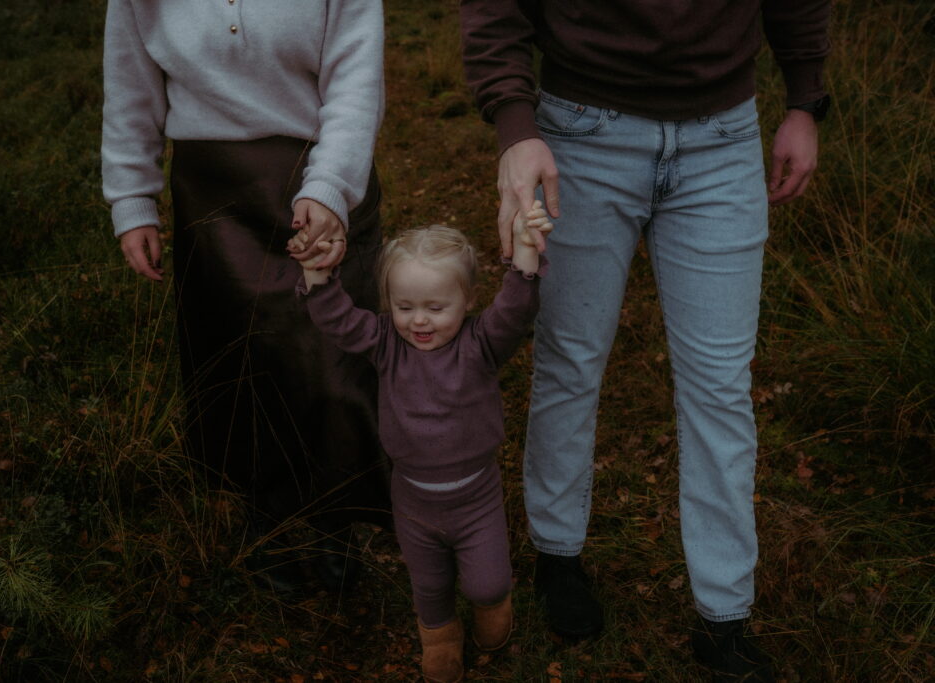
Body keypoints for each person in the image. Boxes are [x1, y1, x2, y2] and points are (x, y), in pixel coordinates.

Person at [459, 0, 830, 679]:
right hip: (580, 128)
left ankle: (724, 616)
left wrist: (804, 96)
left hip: (723, 139)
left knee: (719, 383)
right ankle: (558, 554)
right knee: (571, 357)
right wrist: (515, 123)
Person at [100, 0, 388, 594]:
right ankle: (268, 517)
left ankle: (333, 516)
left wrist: (331, 185)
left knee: (334, 360)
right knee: (244, 357)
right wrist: (131, 194)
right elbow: (130, 84)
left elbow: (357, 77)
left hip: (319, 173)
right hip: (215, 191)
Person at [289, 204, 553, 683]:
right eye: (405, 307)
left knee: (487, 580)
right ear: (389, 302)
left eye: (436, 307)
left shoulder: (481, 345)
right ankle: (440, 637)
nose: (419, 322)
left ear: (468, 299)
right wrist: (317, 276)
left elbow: (514, 312)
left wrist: (527, 255)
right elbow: (341, 323)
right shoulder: (386, 342)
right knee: (429, 583)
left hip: (476, 496)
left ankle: (493, 606)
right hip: (412, 497)